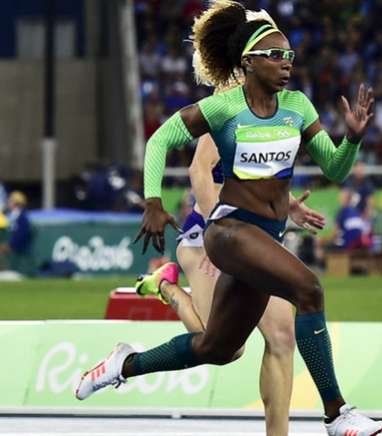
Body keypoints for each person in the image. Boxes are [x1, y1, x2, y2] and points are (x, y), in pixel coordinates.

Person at [76, 2, 382, 435]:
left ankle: (122, 364)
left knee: (217, 347)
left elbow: (335, 169)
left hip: (264, 237)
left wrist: (351, 140)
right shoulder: (225, 109)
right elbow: (162, 138)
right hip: (227, 233)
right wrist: (153, 201)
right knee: (309, 289)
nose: (286, 64)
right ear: (248, 62)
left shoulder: (298, 107)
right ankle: (337, 413)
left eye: (290, 56)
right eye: (276, 56)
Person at [134, 133, 324, 436]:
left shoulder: (263, 114)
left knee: (282, 335)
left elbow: (256, 178)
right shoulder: (224, 112)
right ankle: (167, 287)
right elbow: (199, 171)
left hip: (250, 236)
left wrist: (289, 206)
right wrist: (216, 232)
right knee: (225, 348)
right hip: (207, 239)